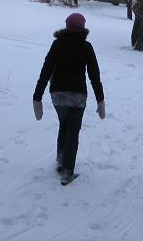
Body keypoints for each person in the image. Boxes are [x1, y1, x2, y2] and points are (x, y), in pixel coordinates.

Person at [33, 12, 105, 185]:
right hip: (77, 96)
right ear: (83, 28)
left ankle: (61, 160)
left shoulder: (57, 44)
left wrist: (37, 97)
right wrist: (100, 100)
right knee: (72, 131)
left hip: (57, 95)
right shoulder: (86, 47)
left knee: (64, 125)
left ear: (66, 26)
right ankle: (67, 171)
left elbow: (46, 70)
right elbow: (94, 75)